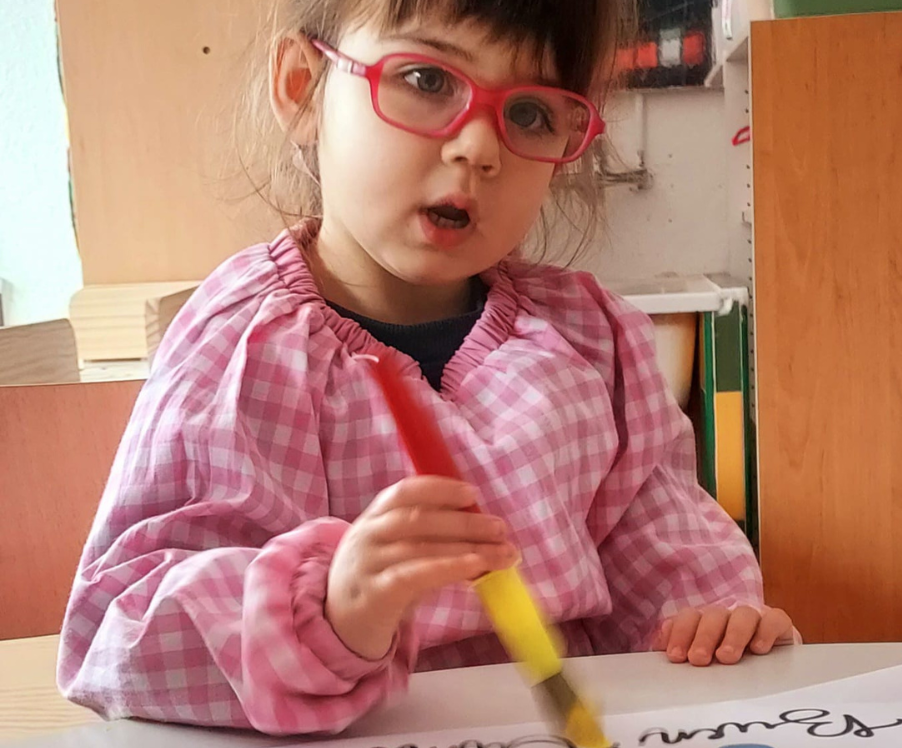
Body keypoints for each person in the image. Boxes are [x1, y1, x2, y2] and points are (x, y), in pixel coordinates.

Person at [59, 0, 795, 736]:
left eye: (532, 114)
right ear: (302, 89)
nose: (479, 147)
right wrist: (331, 612)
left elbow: (662, 537)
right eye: (425, 78)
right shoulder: (241, 346)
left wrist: (709, 616)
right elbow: (122, 637)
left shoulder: (590, 336)